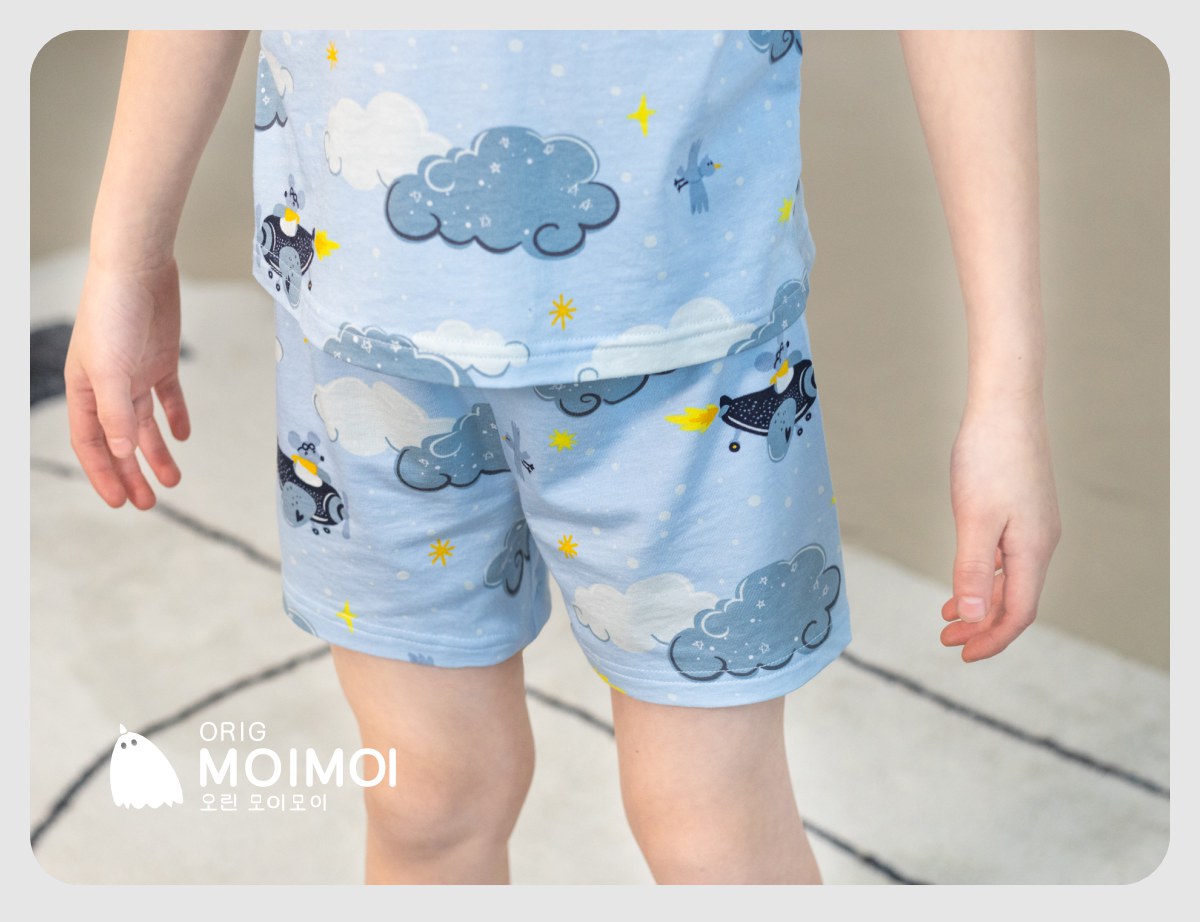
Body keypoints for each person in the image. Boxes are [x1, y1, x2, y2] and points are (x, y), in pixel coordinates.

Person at [63, 30, 1061, 885]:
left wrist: (1008, 388)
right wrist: (125, 251)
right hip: (362, 326)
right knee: (426, 799)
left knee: (712, 834)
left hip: (690, 345)